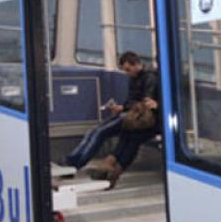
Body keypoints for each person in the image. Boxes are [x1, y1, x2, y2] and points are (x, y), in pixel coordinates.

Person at [63, 51, 160, 189]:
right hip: (132, 114)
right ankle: (100, 166)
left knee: (100, 132)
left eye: (128, 69)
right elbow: (133, 100)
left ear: (137, 64)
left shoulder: (150, 78)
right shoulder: (136, 78)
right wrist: (122, 107)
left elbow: (144, 103)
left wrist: (126, 108)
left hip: (141, 118)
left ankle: (75, 163)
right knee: (105, 133)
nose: (127, 73)